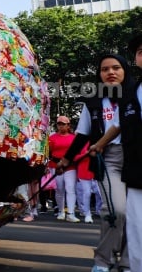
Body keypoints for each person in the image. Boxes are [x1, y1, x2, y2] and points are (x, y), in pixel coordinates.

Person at [58, 54, 135, 272]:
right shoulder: (93, 101)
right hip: (108, 160)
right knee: (115, 211)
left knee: (134, 214)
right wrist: (66, 159)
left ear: (125, 70)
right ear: (99, 75)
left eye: (116, 68)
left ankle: (129, 263)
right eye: (105, 69)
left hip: (135, 159)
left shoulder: (136, 95)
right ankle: (103, 261)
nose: (110, 72)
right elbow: (82, 135)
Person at [119, 34, 142, 272]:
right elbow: (117, 126)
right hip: (137, 174)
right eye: (141, 51)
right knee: (137, 234)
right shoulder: (130, 93)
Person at [50, 115, 80, 223]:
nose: (61, 126)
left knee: (70, 188)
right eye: (59, 124)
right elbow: (49, 153)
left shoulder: (73, 138)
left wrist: (67, 163)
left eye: (63, 124)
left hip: (70, 166)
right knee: (59, 189)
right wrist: (56, 165)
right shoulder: (52, 138)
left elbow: (77, 152)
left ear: (68, 125)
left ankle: (71, 213)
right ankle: (61, 211)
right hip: (56, 165)